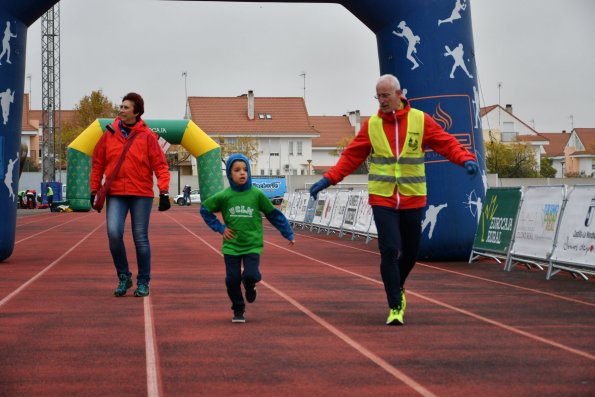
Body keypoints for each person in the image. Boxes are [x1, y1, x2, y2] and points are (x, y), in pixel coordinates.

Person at [309, 74, 479, 326]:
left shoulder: (420, 120)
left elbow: (446, 142)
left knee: (410, 253)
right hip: (383, 198)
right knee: (389, 250)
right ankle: (395, 305)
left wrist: (465, 158)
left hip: (412, 198)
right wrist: (328, 179)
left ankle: (396, 286)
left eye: (385, 95)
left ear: (399, 94)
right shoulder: (372, 125)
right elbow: (351, 157)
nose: (381, 101)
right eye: (377, 96)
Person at [90, 92, 171, 298]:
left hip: (141, 194)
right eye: (121, 106)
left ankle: (143, 281)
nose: (121, 110)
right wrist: (93, 189)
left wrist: (163, 191)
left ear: (136, 111)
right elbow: (98, 162)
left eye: (126, 107)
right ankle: (124, 276)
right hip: (116, 192)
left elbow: (161, 165)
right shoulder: (109, 133)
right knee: (114, 234)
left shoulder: (148, 136)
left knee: (140, 238)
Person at [200, 153, 295, 323]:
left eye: (245, 169)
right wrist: (220, 228)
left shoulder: (256, 194)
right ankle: (238, 309)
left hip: (252, 244)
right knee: (232, 280)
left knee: (251, 274)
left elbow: (273, 214)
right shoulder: (224, 196)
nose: (242, 173)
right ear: (230, 174)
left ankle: (250, 285)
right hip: (231, 246)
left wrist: (287, 232)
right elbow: (205, 210)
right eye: (237, 170)